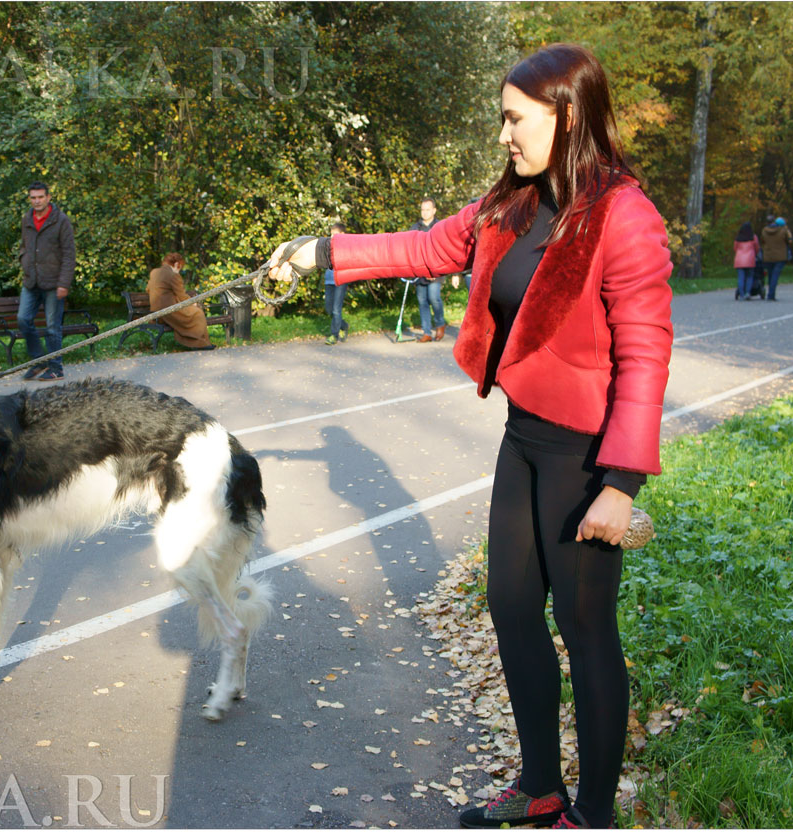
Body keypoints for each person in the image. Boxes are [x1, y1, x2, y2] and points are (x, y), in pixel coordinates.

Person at [268, 43, 673, 830]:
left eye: (514, 120)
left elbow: (646, 355)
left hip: (586, 457)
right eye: (502, 120)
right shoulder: (513, 202)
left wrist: (622, 485)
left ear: (567, 113)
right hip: (524, 439)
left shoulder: (625, 215)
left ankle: (593, 815)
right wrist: (319, 250)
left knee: (586, 630)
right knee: (511, 606)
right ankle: (541, 787)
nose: (504, 136)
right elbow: (426, 248)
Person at [17, 181, 76, 380]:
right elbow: (24, 246)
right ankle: (38, 360)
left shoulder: (61, 220)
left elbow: (69, 254)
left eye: (40, 197)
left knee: (52, 327)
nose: (37, 201)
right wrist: (23, 260)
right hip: (31, 281)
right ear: (29, 199)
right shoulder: (27, 219)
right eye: (33, 197)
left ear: (48, 198)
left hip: (54, 283)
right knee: (23, 319)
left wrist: (64, 283)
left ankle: (56, 367)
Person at [146, 252, 215, 350]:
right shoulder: (173, 275)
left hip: (156, 311)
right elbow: (182, 295)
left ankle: (200, 342)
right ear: (176, 264)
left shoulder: (154, 272)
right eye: (180, 267)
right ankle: (199, 343)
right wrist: (193, 303)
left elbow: (148, 289)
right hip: (168, 311)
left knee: (193, 312)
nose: (179, 270)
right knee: (197, 313)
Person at [409, 198, 446, 342]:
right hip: (420, 271)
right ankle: (426, 332)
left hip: (436, 271)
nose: (425, 213)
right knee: (422, 301)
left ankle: (440, 323)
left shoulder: (440, 226)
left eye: (428, 209)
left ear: (434, 210)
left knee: (434, 298)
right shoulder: (415, 228)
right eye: (423, 210)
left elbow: (444, 250)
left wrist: (436, 271)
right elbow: (410, 249)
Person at [322, 222, 349, 344]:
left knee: (336, 309)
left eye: (335, 234)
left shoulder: (347, 247)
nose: (332, 237)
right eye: (331, 234)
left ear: (342, 234)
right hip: (329, 279)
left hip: (340, 280)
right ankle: (343, 325)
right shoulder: (329, 245)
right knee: (329, 308)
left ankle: (334, 335)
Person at [758, 216, 793, 301]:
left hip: (768, 256)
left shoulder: (764, 231)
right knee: (775, 275)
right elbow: (790, 241)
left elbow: (762, 241)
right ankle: (771, 295)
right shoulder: (783, 230)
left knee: (770, 275)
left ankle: (770, 293)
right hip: (780, 256)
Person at [732, 223, 762, 300]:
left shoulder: (738, 238)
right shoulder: (753, 237)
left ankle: (741, 294)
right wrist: (755, 254)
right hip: (750, 259)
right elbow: (757, 248)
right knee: (749, 277)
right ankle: (747, 293)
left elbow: (735, 248)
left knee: (741, 277)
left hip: (739, 260)